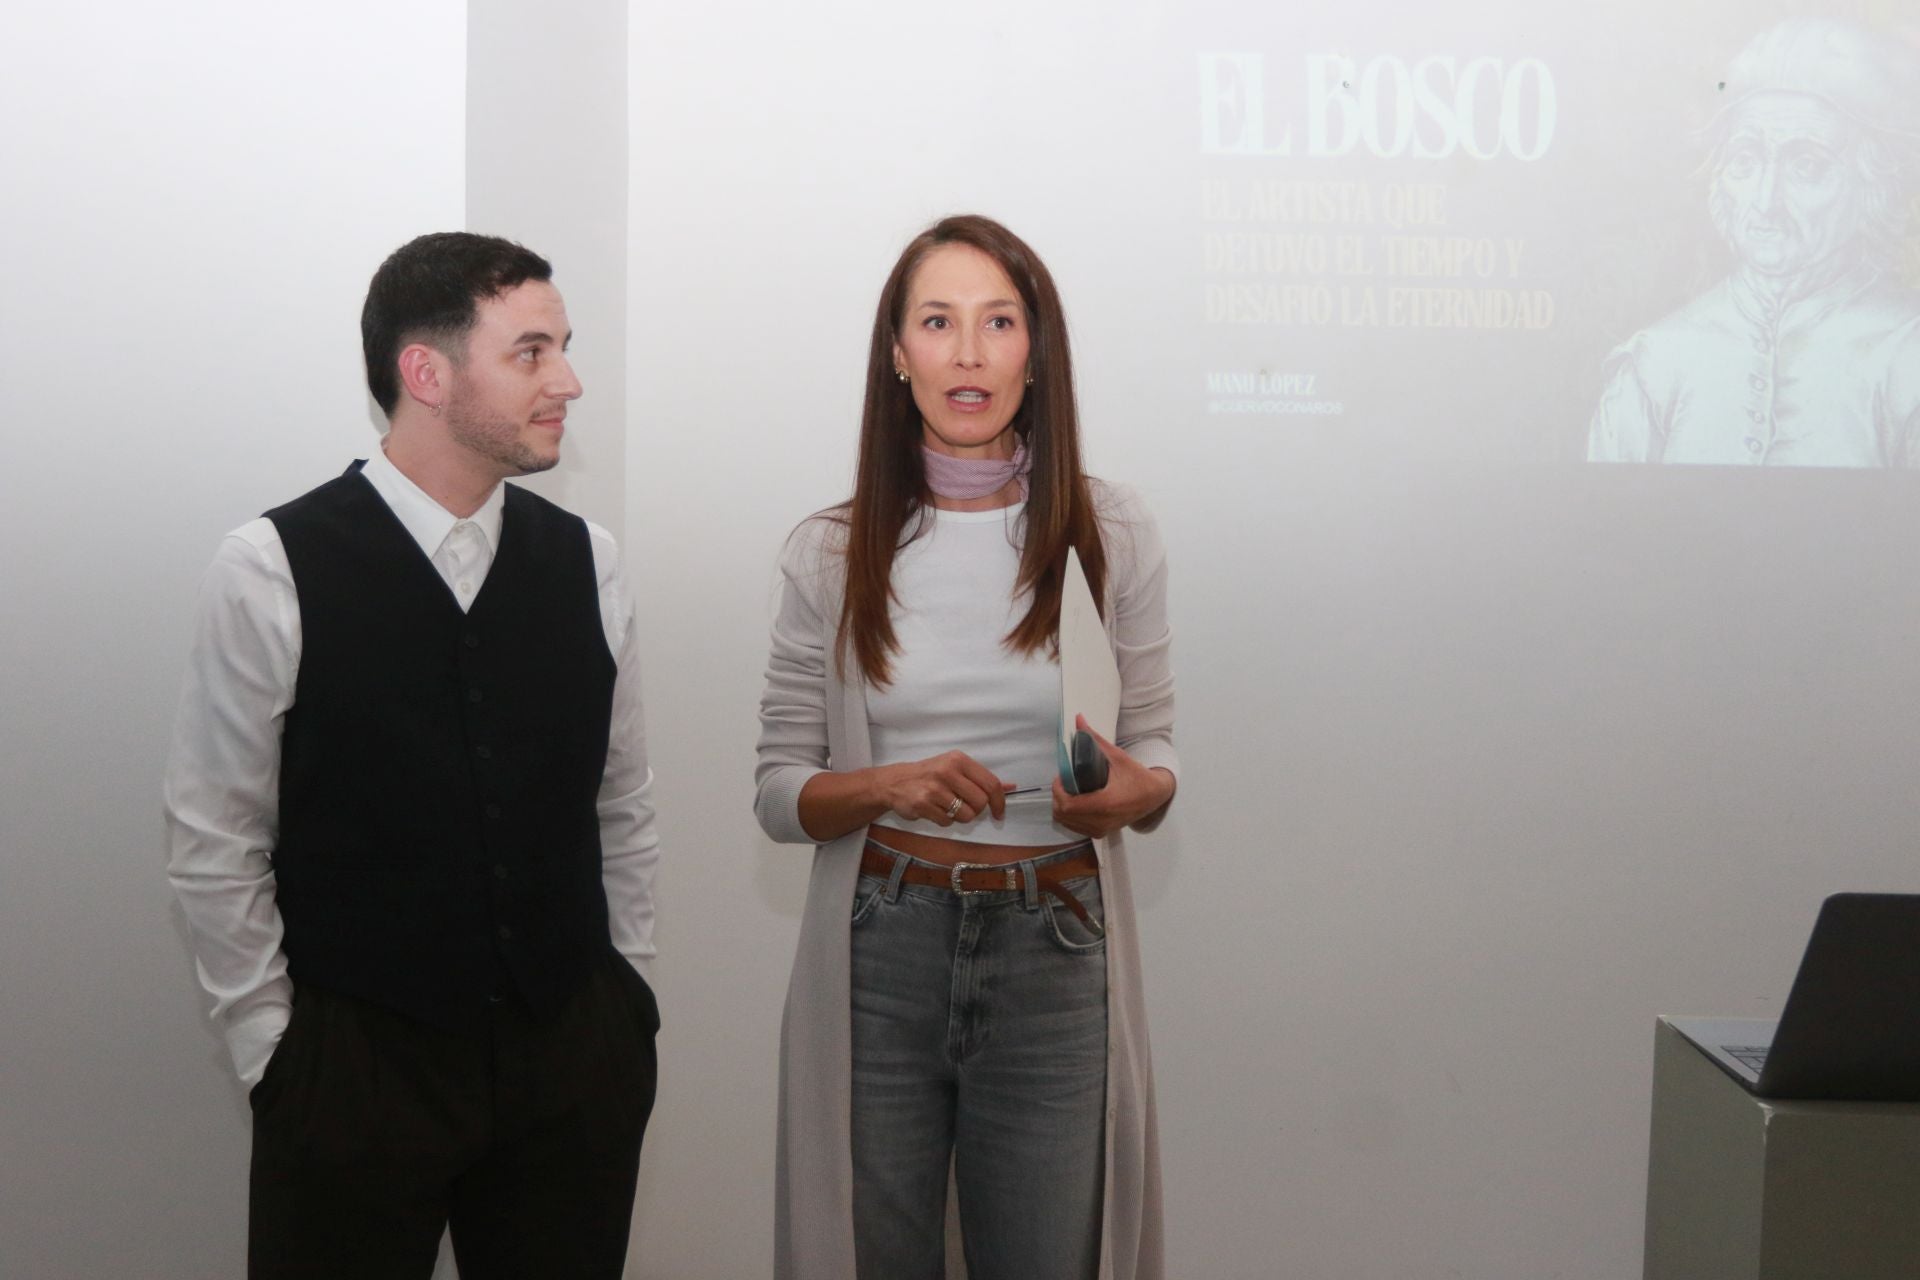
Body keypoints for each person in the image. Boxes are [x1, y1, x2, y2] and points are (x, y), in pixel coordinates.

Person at [164, 232, 661, 1279]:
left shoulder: (590, 564)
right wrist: (277, 1057)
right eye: (531, 352)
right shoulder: (269, 567)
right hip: (355, 1072)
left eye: (564, 346)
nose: (568, 379)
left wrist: (628, 1000)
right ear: (424, 373)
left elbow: (623, 802)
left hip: (571, 1060)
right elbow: (215, 836)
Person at [754, 215, 1178, 1280]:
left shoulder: (1108, 530)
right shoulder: (831, 549)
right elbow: (777, 789)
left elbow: (1159, 748)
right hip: (881, 943)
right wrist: (884, 783)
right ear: (898, 353)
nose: (969, 351)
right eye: (938, 322)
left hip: (1057, 938)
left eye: (998, 322)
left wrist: (1136, 787)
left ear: (1036, 353)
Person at [1589, 18, 1920, 466]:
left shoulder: (1907, 357)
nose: (1766, 203)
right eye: (1745, 160)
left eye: (1806, 166)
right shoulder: (1656, 362)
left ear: (1872, 184)